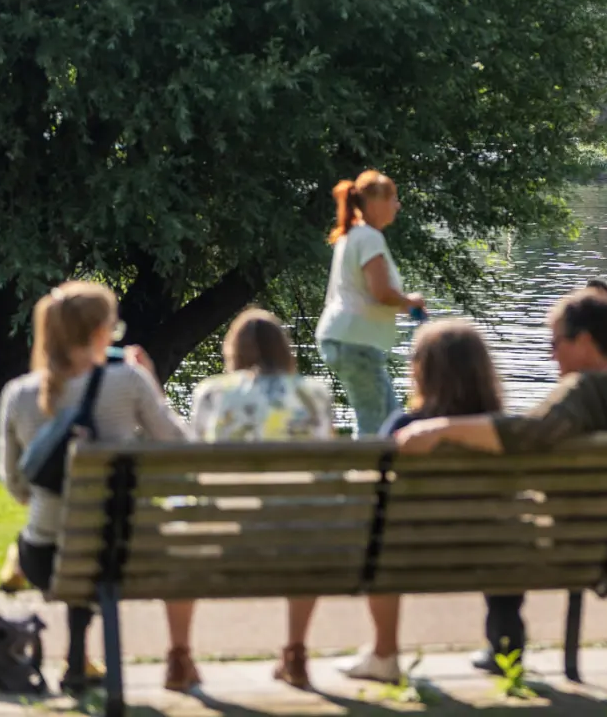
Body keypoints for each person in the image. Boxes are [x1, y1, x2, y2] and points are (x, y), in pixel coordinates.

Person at [393, 290, 607, 677]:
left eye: (556, 343)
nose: (551, 355)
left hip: (583, 545)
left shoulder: (583, 393)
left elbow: (526, 434)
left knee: (507, 530)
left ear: (585, 342)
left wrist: (440, 427)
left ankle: (504, 649)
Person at [0, 282, 194, 693]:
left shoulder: (18, 395)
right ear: (100, 332)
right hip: (124, 549)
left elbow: (16, 485)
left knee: (60, 536)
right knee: (95, 537)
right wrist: (152, 381)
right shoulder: (129, 381)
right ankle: (79, 660)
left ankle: (76, 657)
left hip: (47, 557)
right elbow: (179, 447)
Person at [341, 319, 505, 684]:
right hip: (493, 548)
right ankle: (506, 647)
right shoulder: (500, 430)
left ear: (422, 371)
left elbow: (376, 490)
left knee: (376, 535)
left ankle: (385, 653)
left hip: (410, 551)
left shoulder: (403, 425)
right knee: (508, 531)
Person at [181, 309, 335, 690]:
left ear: (233, 350)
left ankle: (178, 656)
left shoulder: (213, 392)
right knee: (306, 525)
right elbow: (328, 471)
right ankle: (296, 652)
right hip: (296, 537)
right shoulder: (313, 393)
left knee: (180, 531)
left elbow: (192, 464)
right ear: (283, 349)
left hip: (224, 533)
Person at [316, 170, 424, 434]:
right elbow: (380, 292)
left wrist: (404, 305)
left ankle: (383, 472)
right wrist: (410, 301)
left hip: (351, 340)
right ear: (376, 201)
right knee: (374, 425)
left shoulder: (355, 235)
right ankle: (365, 473)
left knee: (391, 420)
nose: (397, 206)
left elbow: (370, 294)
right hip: (355, 342)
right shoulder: (368, 237)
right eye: (393, 199)